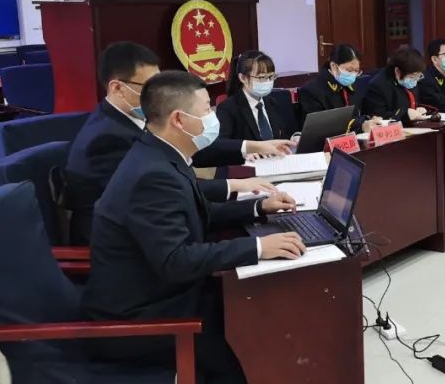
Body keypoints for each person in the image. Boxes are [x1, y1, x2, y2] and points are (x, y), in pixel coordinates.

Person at [80, 71, 306, 384]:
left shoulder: (159, 155)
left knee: (252, 325)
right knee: (243, 361)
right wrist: (258, 247)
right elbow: (176, 260)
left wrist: (257, 206)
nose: (213, 117)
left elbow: (195, 209)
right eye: (207, 110)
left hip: (157, 295)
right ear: (180, 120)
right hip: (139, 316)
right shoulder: (151, 173)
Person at [64, 42, 290, 245]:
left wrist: (252, 154)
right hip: (127, 245)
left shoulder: (132, 118)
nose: (157, 93)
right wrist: (236, 186)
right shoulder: (106, 139)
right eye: (148, 86)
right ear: (117, 88)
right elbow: (165, 191)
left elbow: (187, 152)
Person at [217, 50, 299, 142]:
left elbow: (281, 136)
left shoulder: (272, 102)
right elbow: (222, 144)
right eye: (261, 77)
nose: (268, 82)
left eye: (271, 77)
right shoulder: (228, 108)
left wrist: (293, 138)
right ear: (243, 78)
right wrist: (251, 148)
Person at [297, 43, 377, 132]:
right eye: (349, 70)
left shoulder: (356, 84)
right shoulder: (311, 90)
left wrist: (372, 119)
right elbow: (318, 127)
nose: (353, 75)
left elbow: (364, 113)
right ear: (333, 66)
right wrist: (359, 126)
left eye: (356, 71)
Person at [362, 47, 430, 125]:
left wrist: (418, 109)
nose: (415, 80)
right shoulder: (378, 85)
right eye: (412, 76)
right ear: (397, 71)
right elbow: (378, 117)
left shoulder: (409, 80)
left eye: (418, 76)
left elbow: (413, 102)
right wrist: (405, 114)